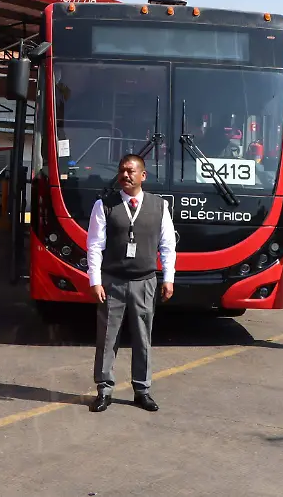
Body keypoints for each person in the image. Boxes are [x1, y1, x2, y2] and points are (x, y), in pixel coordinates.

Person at [85, 153, 177, 413]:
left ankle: (142, 390)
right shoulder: (104, 205)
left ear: (143, 175)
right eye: (122, 171)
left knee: (142, 337)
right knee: (107, 337)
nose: (125, 175)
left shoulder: (159, 206)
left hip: (145, 282)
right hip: (112, 281)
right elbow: (94, 245)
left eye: (131, 171)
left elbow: (168, 245)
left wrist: (168, 278)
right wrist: (95, 280)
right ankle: (104, 390)